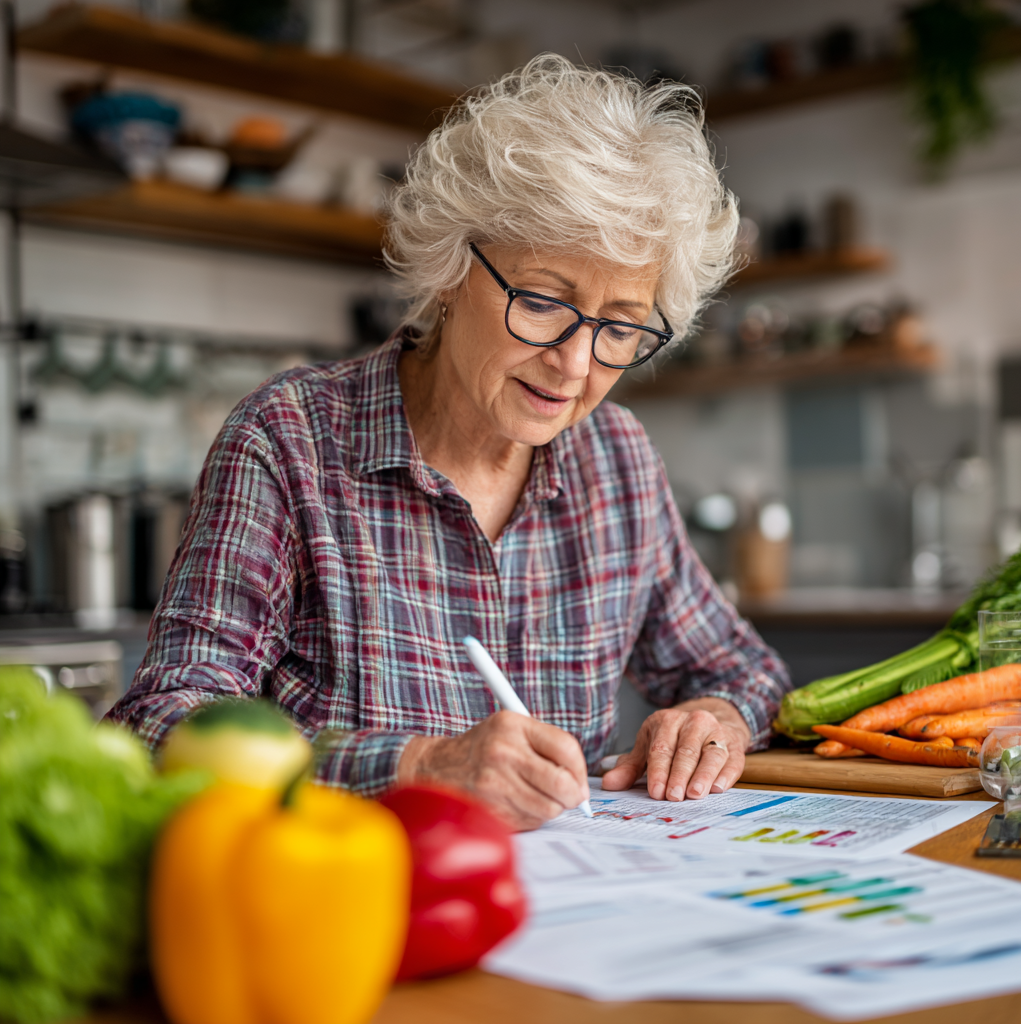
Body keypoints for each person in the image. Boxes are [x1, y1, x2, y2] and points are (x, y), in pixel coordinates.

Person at [109, 55, 790, 830]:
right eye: (541, 302)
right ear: (448, 271)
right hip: (341, 902)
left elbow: (743, 671)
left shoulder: (617, 458)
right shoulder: (289, 441)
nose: (573, 365)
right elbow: (162, 726)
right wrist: (418, 768)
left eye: (621, 326)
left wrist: (714, 718)